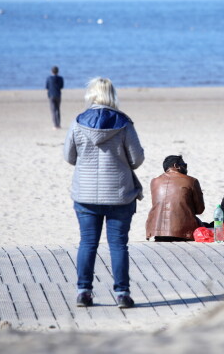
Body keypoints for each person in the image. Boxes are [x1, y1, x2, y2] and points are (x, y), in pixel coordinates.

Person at [63, 77, 145, 309]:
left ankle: (83, 292)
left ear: (91, 94)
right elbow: (137, 159)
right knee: (118, 245)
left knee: (88, 243)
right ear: (112, 95)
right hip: (119, 194)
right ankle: (122, 294)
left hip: (86, 194)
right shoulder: (123, 123)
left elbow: (69, 157)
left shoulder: (78, 122)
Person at [145, 155, 205, 242]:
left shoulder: (154, 181)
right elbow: (200, 210)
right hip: (183, 232)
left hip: (157, 232)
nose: (186, 168)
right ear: (176, 166)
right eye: (184, 165)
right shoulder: (191, 181)